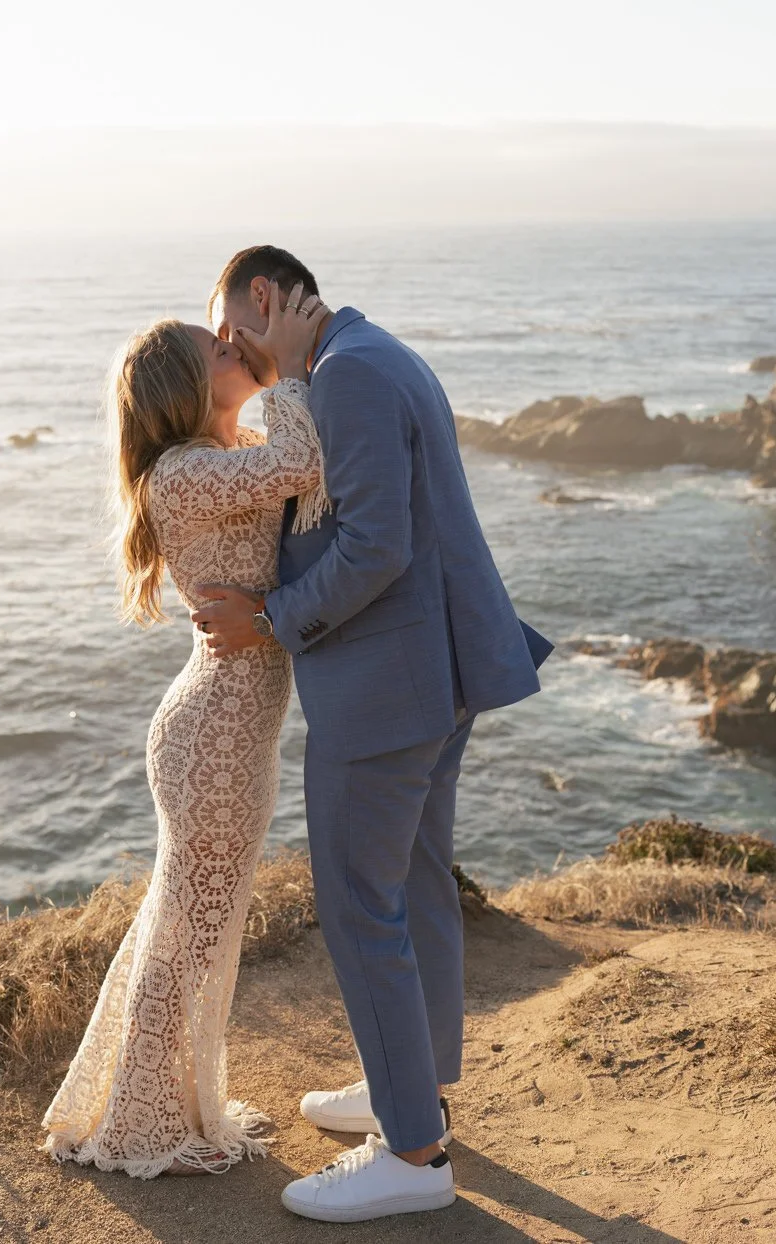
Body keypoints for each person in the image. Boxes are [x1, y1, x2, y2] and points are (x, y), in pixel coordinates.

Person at [194, 245, 553, 1223]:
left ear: (264, 299)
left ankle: (411, 1153)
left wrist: (266, 619)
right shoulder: (378, 352)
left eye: (232, 331)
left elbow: (375, 547)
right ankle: (413, 1092)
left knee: (360, 907)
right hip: (437, 676)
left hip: (387, 693)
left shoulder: (348, 376)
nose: (236, 352)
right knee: (415, 886)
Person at [39, 283, 330, 1177]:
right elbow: (299, 465)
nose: (231, 345)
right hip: (213, 734)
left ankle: (156, 1103)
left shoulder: (217, 453)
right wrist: (283, 369)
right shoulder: (185, 473)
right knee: (187, 933)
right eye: (217, 350)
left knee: (194, 925)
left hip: (229, 729)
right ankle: (139, 1123)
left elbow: (298, 471)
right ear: (185, 387)